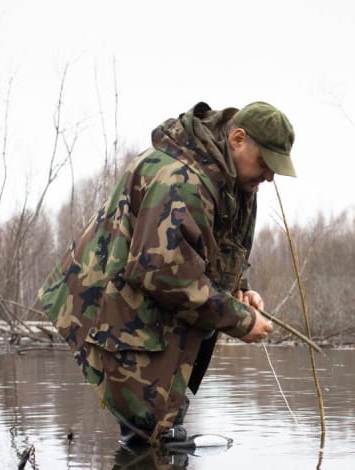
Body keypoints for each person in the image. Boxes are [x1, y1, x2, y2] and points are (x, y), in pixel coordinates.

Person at [38, 101, 296, 447]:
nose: (269, 176)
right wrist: (240, 320)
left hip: (149, 311)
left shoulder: (232, 181)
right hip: (108, 307)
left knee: (157, 433)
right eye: (265, 163)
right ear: (237, 139)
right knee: (149, 433)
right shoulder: (181, 180)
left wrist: (240, 290)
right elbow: (163, 275)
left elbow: (214, 247)